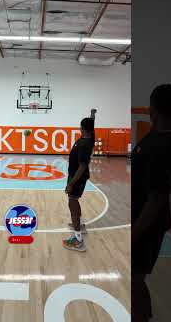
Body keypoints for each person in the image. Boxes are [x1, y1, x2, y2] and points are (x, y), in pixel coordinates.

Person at [131, 63, 171, 322]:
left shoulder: (159, 148)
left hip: (147, 223)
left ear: (152, 109)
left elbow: (155, 201)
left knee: (134, 279)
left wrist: (132, 235)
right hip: (147, 219)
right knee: (134, 278)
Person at [63, 108, 97, 252]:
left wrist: (71, 183)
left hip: (77, 178)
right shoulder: (89, 137)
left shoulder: (84, 145)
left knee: (72, 202)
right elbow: (92, 126)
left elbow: (82, 167)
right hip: (77, 176)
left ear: (82, 128)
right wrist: (93, 115)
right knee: (74, 201)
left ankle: (78, 240)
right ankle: (79, 227)